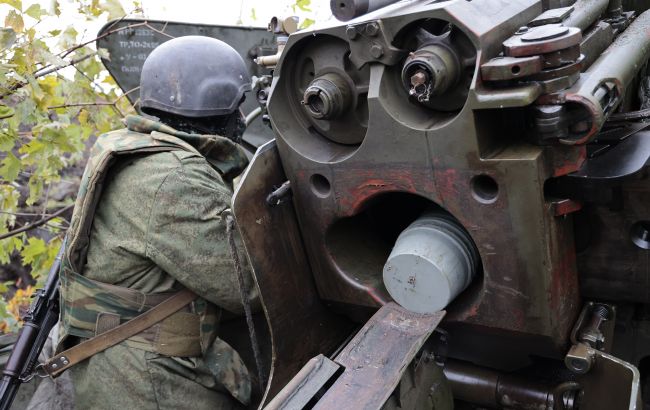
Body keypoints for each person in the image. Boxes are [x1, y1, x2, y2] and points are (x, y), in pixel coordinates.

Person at [54, 36, 260, 410]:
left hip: (121, 367)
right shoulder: (176, 178)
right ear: (215, 107)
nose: (243, 120)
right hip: (153, 384)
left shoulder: (134, 149)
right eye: (236, 107)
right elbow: (248, 288)